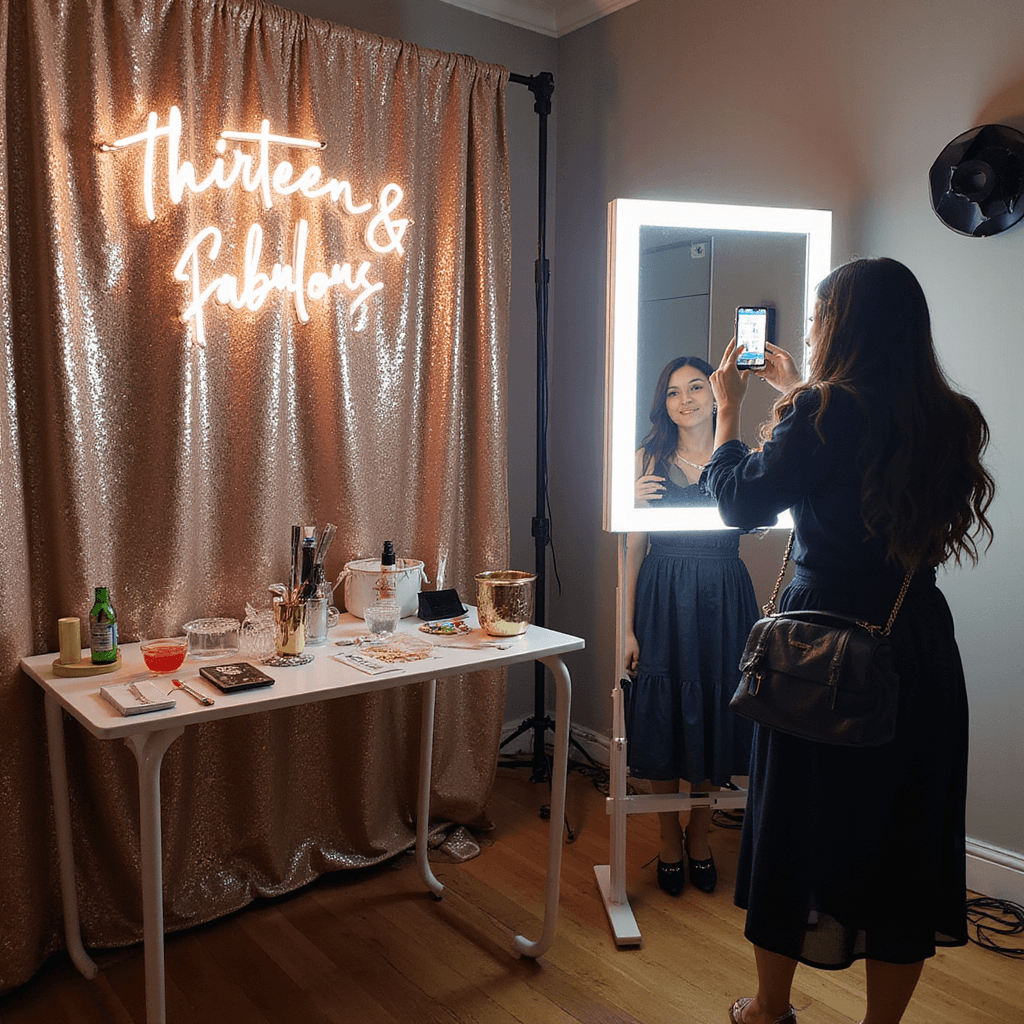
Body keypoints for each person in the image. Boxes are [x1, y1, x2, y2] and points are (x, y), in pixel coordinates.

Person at [702, 258, 994, 1024]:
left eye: (818, 315)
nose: (808, 329)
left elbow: (742, 504)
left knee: (790, 826)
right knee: (906, 836)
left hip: (819, 643)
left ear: (842, 324)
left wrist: (729, 412)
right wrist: (800, 394)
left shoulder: (824, 412)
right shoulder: (951, 416)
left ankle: (769, 1009)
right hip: (914, 641)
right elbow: (864, 475)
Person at [625, 355, 759, 896]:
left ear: (717, 393)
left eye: (697, 387)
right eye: (674, 391)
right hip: (662, 593)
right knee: (664, 715)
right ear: (665, 404)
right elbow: (633, 547)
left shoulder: (741, 459)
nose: (686, 399)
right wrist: (627, 627)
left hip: (726, 595)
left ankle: (700, 835)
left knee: (711, 712)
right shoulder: (649, 456)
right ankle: (667, 837)